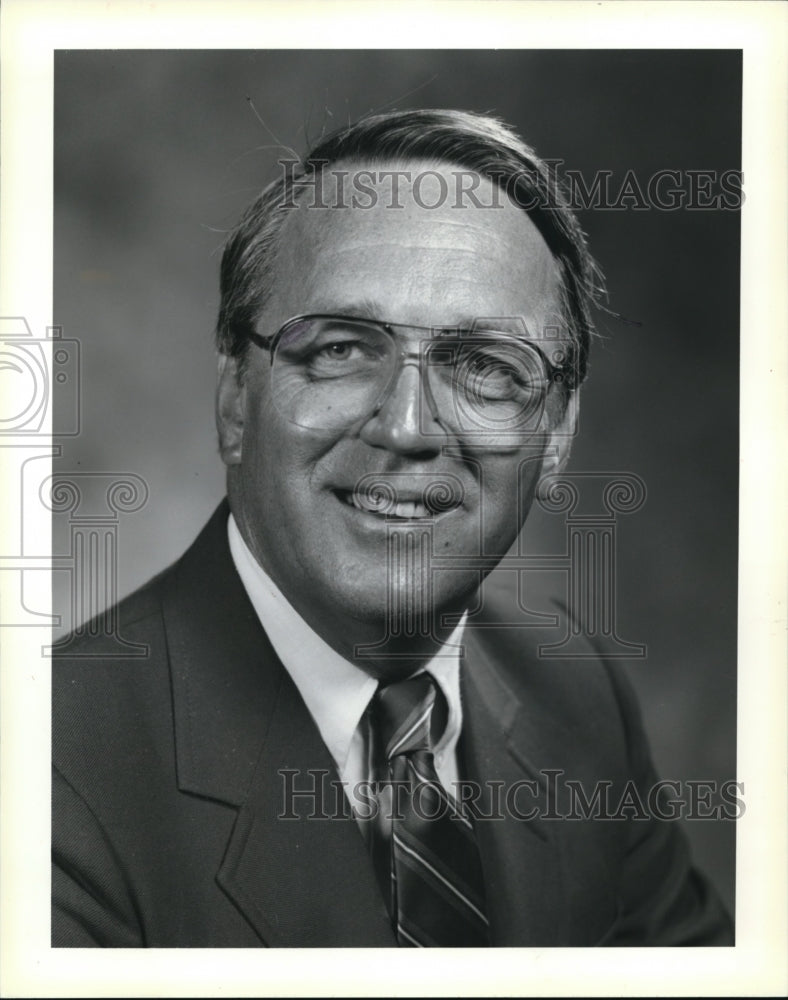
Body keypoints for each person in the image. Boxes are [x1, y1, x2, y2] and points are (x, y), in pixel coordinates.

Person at [52, 108, 733, 947]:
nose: (406, 427)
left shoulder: (576, 701)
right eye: (339, 349)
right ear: (235, 398)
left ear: (555, 436)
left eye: (484, 365)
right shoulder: (47, 776)